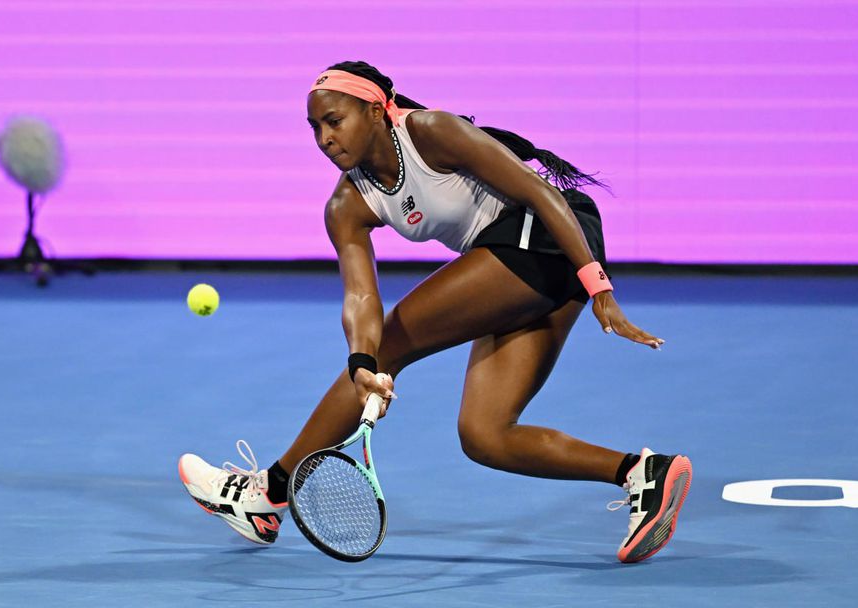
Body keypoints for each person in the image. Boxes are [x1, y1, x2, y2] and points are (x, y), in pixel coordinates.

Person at [178, 61, 692, 563]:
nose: (325, 138)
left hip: (550, 233)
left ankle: (268, 494)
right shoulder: (347, 206)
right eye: (314, 127)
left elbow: (539, 192)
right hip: (524, 266)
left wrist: (599, 286)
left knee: (394, 341)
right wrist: (362, 363)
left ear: (375, 111)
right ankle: (641, 473)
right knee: (486, 436)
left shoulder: (430, 132)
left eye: (334, 121)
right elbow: (361, 297)